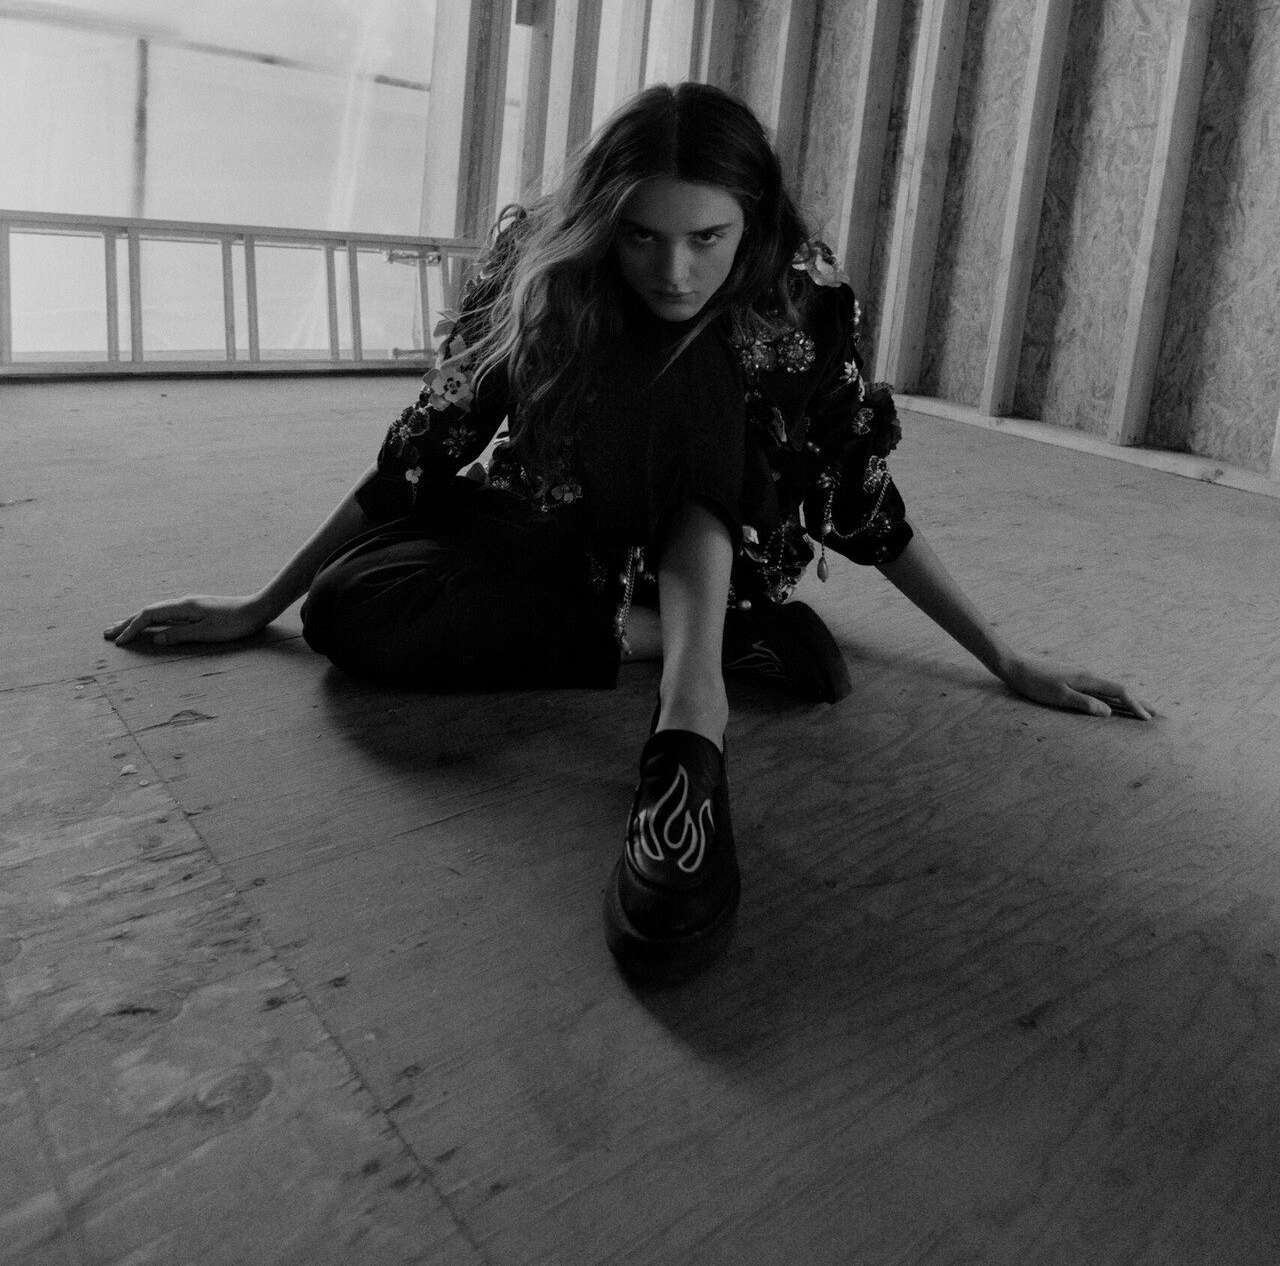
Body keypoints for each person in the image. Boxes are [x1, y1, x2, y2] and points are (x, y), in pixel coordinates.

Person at [106, 82, 1151, 977]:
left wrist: (1004, 657)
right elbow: (425, 451)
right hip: (558, 521)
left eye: (707, 239)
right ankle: (715, 641)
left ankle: (690, 719)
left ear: (752, 222)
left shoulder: (797, 291)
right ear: (602, 218)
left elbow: (857, 502)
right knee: (350, 609)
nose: (674, 271)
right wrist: (262, 605)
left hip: (712, 542)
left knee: (686, 366)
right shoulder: (538, 260)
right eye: (641, 237)